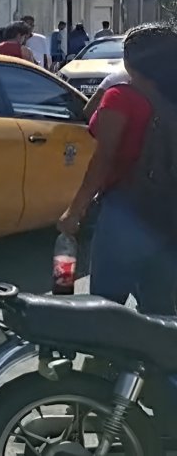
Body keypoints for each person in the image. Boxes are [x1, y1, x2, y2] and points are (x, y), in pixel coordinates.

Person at [59, 22, 177, 314]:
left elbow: (104, 158)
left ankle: (107, 347)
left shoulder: (121, 96)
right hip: (168, 213)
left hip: (125, 210)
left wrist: (75, 211)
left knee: (106, 306)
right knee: (159, 308)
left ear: (129, 60)